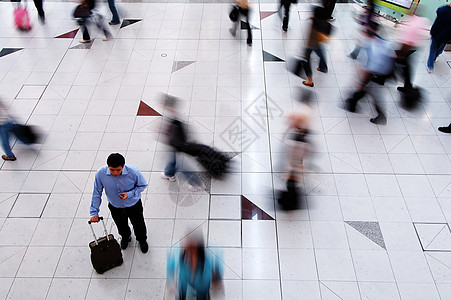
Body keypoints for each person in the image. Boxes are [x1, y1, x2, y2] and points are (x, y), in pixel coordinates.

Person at [89, 153, 149, 253]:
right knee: (120, 224)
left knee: (139, 224)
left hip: (133, 204)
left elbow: (142, 185)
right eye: (112, 170)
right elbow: (96, 193)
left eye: (118, 170)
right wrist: (94, 212)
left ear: (123, 166)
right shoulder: (101, 174)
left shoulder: (133, 172)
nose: (115, 173)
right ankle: (126, 237)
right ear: (108, 166)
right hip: (115, 206)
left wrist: (129, 194)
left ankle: (142, 240)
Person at [344, 21, 395, 125]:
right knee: (368, 89)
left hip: (378, 73)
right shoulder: (381, 41)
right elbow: (393, 54)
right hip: (386, 70)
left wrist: (361, 83)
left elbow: (369, 70)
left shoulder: (372, 48)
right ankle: (353, 101)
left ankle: (381, 116)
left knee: (373, 92)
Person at [160, 94, 204, 191]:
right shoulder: (172, 115)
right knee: (172, 160)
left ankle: (196, 184)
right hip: (175, 146)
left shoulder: (174, 118)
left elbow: (176, 135)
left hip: (177, 147)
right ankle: (169, 173)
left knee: (183, 166)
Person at [166, 234, 223, 300]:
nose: (190, 253)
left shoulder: (209, 258)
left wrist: (217, 280)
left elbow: (217, 268)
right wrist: (171, 282)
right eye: (188, 249)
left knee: (202, 296)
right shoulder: (177, 255)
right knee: (182, 295)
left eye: (193, 250)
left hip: (203, 286)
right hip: (184, 284)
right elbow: (170, 267)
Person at [395, 12, 429, 92]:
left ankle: (407, 87)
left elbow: (408, 43)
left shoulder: (412, 26)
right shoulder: (420, 20)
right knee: (406, 68)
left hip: (407, 49)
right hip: (413, 47)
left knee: (404, 68)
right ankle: (407, 86)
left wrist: (401, 54)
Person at [301, 2, 330, 87]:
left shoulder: (314, 25)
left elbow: (311, 38)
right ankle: (323, 67)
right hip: (319, 40)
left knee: (306, 59)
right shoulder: (323, 20)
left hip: (312, 42)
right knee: (320, 51)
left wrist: (305, 53)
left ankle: (310, 80)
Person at [426, 3, 451, 73]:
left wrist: (447, 6)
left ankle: (430, 66)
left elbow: (438, 10)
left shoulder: (443, 10)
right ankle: (432, 61)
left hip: (436, 33)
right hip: (445, 36)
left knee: (433, 50)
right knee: (439, 50)